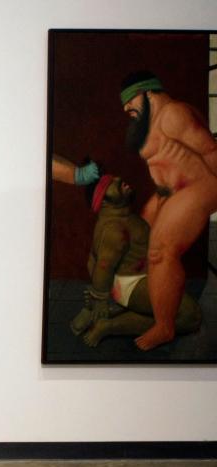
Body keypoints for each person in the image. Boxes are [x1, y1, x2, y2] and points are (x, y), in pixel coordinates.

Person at [119, 71, 217, 350]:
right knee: (136, 237)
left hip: (197, 187)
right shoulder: (154, 120)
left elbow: (211, 151)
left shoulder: (173, 114)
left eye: (130, 100)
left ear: (148, 92)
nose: (127, 109)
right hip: (171, 193)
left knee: (160, 251)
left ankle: (165, 327)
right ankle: (148, 303)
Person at [70, 174, 201, 347]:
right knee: (189, 316)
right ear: (102, 201)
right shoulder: (114, 230)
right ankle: (108, 326)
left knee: (172, 308)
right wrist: (99, 299)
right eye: (110, 183)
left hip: (141, 276)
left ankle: (119, 313)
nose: (118, 180)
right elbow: (103, 266)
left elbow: (94, 258)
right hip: (132, 283)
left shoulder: (121, 218)